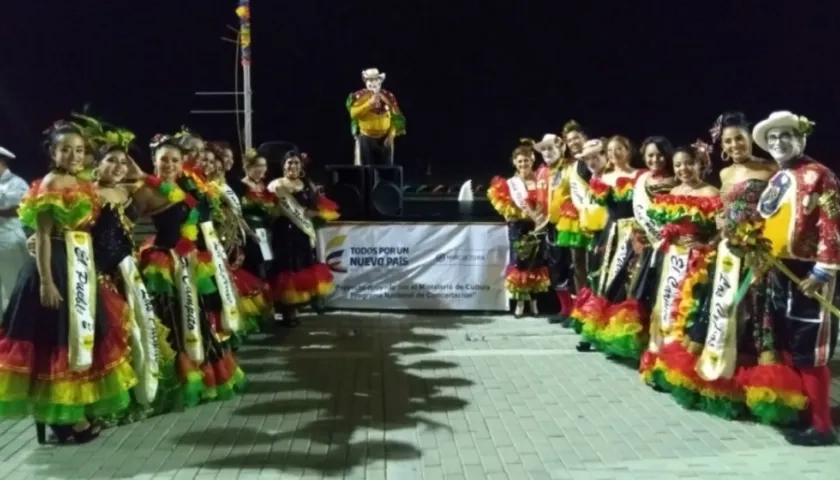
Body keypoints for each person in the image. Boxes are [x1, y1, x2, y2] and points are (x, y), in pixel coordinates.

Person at [0, 121, 137, 444]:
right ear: (52, 152)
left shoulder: (83, 182)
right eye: (66, 149)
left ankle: (73, 411)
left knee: (80, 336)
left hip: (81, 264)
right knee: (56, 342)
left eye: (79, 150)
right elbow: (44, 236)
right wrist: (47, 281)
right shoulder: (50, 182)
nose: (73, 155)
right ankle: (61, 420)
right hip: (57, 266)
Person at [748, 111, 840, 445]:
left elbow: (832, 224)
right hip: (779, 270)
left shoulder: (821, 175)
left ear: (800, 138)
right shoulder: (778, 178)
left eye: (784, 135)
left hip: (808, 272)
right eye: (772, 139)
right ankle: (802, 413)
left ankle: (822, 426)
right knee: (788, 342)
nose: (777, 143)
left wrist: (823, 270)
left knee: (811, 347)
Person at [599, 136, 677, 361]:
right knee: (637, 289)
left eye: (660, 155)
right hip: (644, 243)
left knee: (662, 293)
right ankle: (637, 340)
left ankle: (660, 342)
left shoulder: (676, 180)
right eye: (650, 155)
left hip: (668, 246)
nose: (655, 159)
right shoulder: (642, 178)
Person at [574, 136, 641, 352]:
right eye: (610, 150)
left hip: (632, 235)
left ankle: (619, 333)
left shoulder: (640, 176)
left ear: (628, 150)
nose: (614, 154)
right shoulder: (602, 178)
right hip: (609, 234)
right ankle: (592, 330)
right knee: (600, 279)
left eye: (618, 149)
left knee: (625, 282)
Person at [268, 150, 337, 325]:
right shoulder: (276, 185)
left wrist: (314, 214)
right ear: (283, 165)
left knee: (301, 266)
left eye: (296, 163)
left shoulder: (307, 184)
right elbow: (268, 210)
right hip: (282, 232)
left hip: (302, 232)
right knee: (285, 267)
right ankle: (286, 311)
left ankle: (298, 307)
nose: (293, 166)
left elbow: (315, 206)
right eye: (290, 162)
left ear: (302, 166)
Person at [487, 144, 551, 317]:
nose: (523, 164)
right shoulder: (511, 185)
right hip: (519, 228)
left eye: (527, 160)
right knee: (520, 264)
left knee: (537, 264)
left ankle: (535, 303)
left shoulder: (542, 181)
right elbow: (507, 210)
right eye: (520, 161)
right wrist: (520, 214)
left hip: (538, 226)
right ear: (515, 163)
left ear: (533, 160)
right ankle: (521, 303)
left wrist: (540, 218)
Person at [531, 134, 575, 323]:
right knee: (555, 268)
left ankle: (576, 312)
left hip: (569, 225)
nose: (547, 152)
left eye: (551, 148)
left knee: (572, 268)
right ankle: (564, 310)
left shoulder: (569, 168)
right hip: (548, 225)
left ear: (561, 149)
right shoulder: (541, 171)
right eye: (544, 149)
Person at [346, 68, 406, 165]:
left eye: (375, 80)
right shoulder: (359, 96)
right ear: (365, 82)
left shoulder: (388, 96)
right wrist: (369, 103)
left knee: (386, 170)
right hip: (366, 138)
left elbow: (396, 117)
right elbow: (353, 114)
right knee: (366, 169)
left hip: (385, 138)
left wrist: (391, 136)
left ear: (380, 81)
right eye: (370, 80)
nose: (373, 83)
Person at [0, 146, 29, 313]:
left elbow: (21, 208)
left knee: (14, 284)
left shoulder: (16, 183)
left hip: (10, 241)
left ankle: (16, 326)